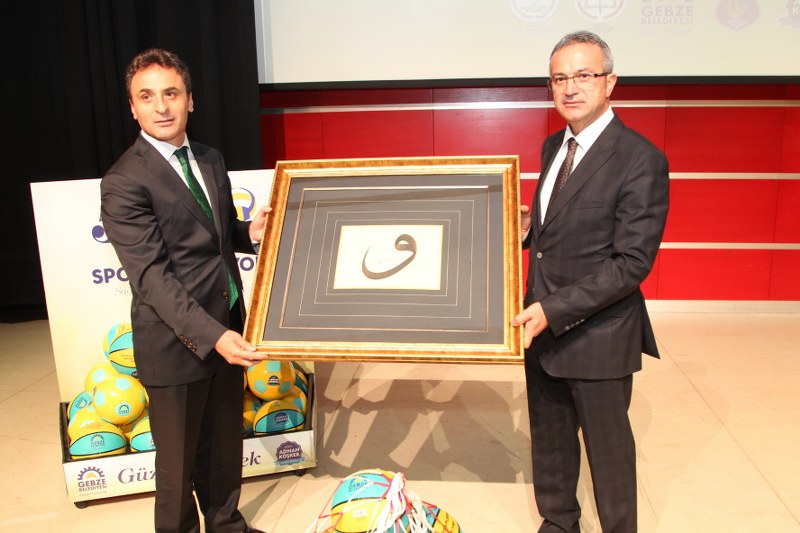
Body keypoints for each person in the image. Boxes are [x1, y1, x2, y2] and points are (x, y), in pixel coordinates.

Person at [101, 48, 270, 533]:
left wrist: (249, 232)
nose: (161, 107)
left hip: (227, 327)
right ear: (133, 107)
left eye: (171, 93)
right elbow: (152, 278)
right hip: (175, 343)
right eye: (146, 97)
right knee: (176, 471)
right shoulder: (123, 181)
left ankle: (227, 525)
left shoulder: (210, 159)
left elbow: (215, 237)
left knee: (223, 451)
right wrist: (212, 336)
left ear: (190, 100)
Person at [512, 31, 669, 532]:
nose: (570, 87)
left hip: (599, 333)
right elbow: (558, 228)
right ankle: (558, 523)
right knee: (551, 444)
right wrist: (527, 228)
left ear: (610, 82)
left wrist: (554, 309)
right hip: (540, 329)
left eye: (584, 75)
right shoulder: (553, 146)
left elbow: (631, 262)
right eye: (559, 78)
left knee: (609, 455)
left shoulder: (640, 158)